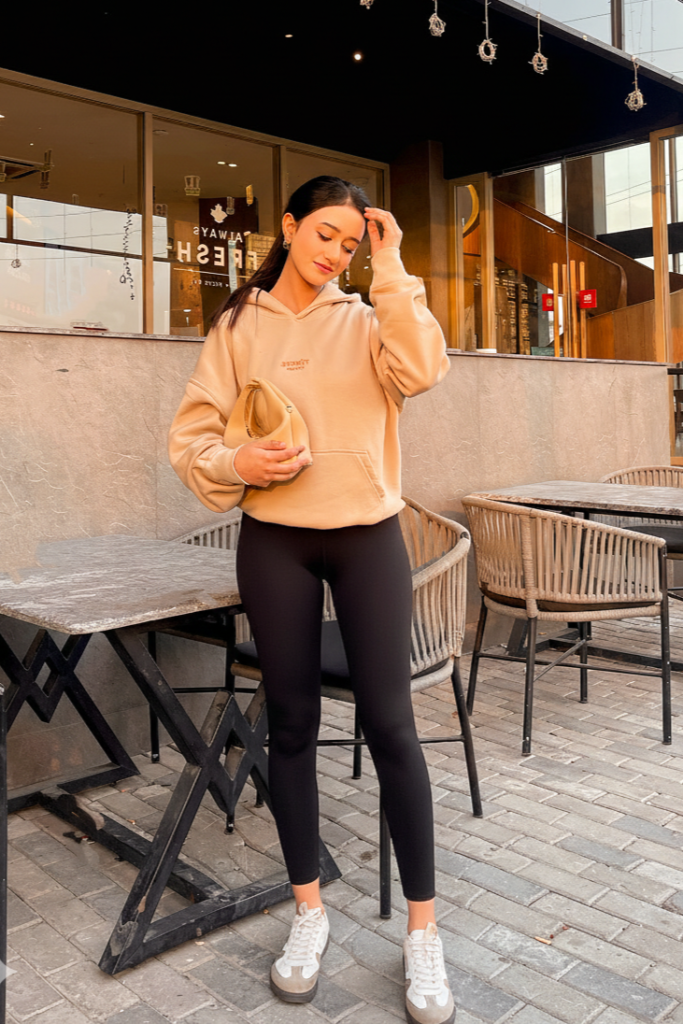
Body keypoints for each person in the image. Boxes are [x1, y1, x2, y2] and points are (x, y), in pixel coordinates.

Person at [168, 175, 454, 1024]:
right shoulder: (235, 326)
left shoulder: (370, 319)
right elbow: (192, 439)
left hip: (366, 535)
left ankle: (423, 933)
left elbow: (426, 368)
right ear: (289, 227)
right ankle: (308, 912)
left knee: (391, 726)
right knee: (289, 724)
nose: (335, 253)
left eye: (350, 243)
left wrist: (393, 263)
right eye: (323, 234)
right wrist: (234, 466)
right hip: (275, 540)